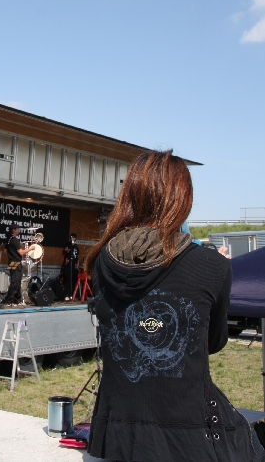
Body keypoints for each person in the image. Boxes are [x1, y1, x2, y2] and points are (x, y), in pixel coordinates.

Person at [85, 150, 265, 462]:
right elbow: (213, 343)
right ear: (183, 200)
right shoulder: (212, 265)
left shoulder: (101, 261)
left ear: (130, 196)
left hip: (116, 438)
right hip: (190, 437)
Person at [1, 224, 34, 306]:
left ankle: (17, 300)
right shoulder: (14, 240)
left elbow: (5, 251)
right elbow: (21, 252)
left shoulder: (8, 239)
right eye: (17, 229)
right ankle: (8, 301)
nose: (19, 230)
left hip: (12, 261)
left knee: (17, 281)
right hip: (15, 262)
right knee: (15, 282)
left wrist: (12, 253)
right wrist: (30, 249)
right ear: (13, 230)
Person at [61, 233, 79, 300]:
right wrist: (67, 250)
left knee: (74, 280)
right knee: (67, 279)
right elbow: (63, 253)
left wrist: (77, 264)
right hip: (68, 265)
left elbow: (77, 256)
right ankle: (66, 295)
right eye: (73, 237)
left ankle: (73, 295)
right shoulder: (68, 244)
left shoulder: (76, 246)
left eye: (75, 238)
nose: (74, 239)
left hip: (74, 265)